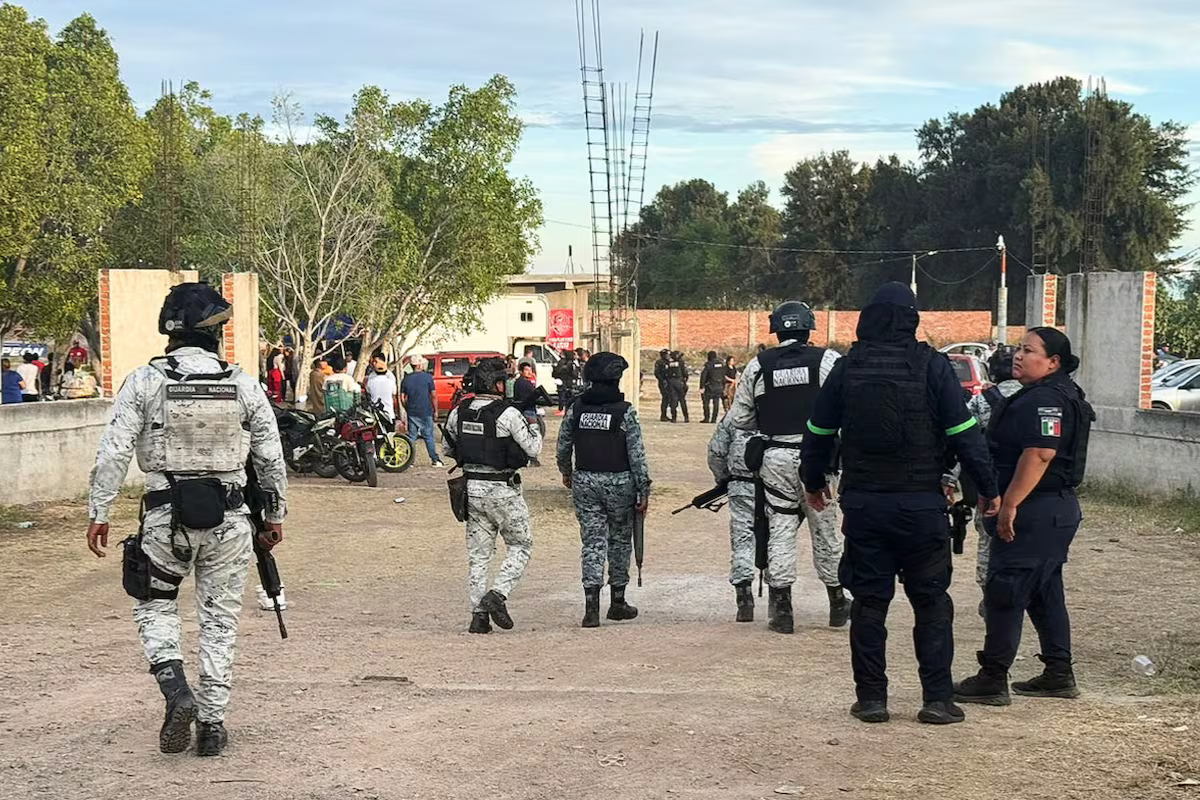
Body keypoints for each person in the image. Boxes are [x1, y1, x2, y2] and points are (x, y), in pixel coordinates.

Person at [84, 282, 287, 756]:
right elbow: (270, 457)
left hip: (164, 517)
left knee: (154, 606)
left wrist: (100, 511)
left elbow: (113, 451)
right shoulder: (243, 384)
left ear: (170, 331)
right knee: (219, 620)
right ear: (215, 332)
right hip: (231, 520)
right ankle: (212, 726)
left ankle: (176, 688)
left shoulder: (145, 381)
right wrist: (275, 515)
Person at [801, 282, 998, 726]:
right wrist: (987, 487)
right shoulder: (933, 366)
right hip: (921, 507)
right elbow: (964, 434)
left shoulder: (848, 368)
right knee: (931, 602)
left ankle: (872, 700)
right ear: (912, 318)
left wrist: (814, 482)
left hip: (866, 507)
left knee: (870, 603)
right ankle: (937, 700)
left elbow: (817, 432)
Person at [954, 328, 1093, 707]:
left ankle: (992, 677)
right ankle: (1058, 673)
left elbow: (1040, 454)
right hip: (1051, 509)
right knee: (1045, 593)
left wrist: (1010, 504)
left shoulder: (1046, 399)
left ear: (1053, 362)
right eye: (1018, 348)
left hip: (1036, 510)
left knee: (1005, 591)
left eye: (1029, 351)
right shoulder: (1051, 393)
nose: (1018, 355)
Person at [730, 301, 848, 633]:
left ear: (776, 330)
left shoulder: (758, 365)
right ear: (809, 328)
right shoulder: (828, 360)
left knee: (780, 528)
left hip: (776, 458)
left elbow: (740, 418)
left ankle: (782, 608)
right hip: (819, 457)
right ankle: (838, 602)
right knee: (825, 528)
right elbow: (846, 405)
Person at [443, 357, 542, 634]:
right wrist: (532, 422)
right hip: (503, 490)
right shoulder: (508, 414)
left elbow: (448, 448)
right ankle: (497, 594)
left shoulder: (459, 412)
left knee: (479, 557)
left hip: (471, 490)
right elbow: (533, 449)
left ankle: (478, 618)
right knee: (521, 546)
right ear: (497, 384)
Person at [556, 353, 652, 628]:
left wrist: (566, 471)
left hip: (585, 481)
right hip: (620, 482)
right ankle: (618, 602)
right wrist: (643, 488)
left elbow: (563, 444)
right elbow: (636, 454)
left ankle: (591, 608)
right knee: (619, 541)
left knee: (592, 543)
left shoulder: (576, 408)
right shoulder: (625, 411)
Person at [948, 344, 1022, 614]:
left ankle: (989, 595)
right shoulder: (1036, 398)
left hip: (992, 483)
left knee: (988, 539)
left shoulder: (982, 402)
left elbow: (964, 443)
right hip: (1030, 484)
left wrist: (948, 479)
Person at [708, 414, 759, 621]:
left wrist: (723, 479)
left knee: (742, 539)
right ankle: (780, 600)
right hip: (776, 486)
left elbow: (716, 452)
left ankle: (744, 597)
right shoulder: (783, 409)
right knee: (777, 539)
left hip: (741, 484)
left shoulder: (734, 416)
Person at [401, 356, 443, 467]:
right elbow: (434, 395)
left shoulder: (406, 379)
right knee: (428, 436)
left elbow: (402, 398)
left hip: (412, 411)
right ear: (419, 365)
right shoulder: (428, 377)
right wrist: (436, 411)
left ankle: (410, 461)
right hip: (426, 411)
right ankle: (435, 459)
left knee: (412, 437)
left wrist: (407, 408)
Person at [365, 351, 400, 420]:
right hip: (377, 413)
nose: (374, 364)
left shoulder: (390, 377)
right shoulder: (372, 376)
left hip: (387, 413)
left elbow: (393, 396)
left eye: (376, 361)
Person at [699, 351, 725, 423]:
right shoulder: (721, 364)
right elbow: (723, 375)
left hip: (710, 386)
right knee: (716, 403)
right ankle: (714, 419)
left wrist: (701, 386)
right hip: (719, 386)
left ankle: (706, 418)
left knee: (706, 402)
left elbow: (703, 376)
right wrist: (723, 385)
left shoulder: (708, 364)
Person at [665, 350, 690, 423]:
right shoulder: (681, 362)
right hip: (679, 382)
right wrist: (685, 381)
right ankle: (686, 417)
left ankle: (674, 418)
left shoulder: (669, 363)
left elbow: (666, 373)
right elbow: (685, 373)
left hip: (671, 382)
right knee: (682, 400)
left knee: (673, 401)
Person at [653, 349, 671, 422]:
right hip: (663, 382)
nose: (668, 356)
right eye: (667, 355)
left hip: (669, 382)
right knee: (665, 398)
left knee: (669, 398)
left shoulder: (669, 362)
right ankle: (663, 415)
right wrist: (662, 380)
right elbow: (657, 373)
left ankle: (666, 415)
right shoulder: (659, 362)